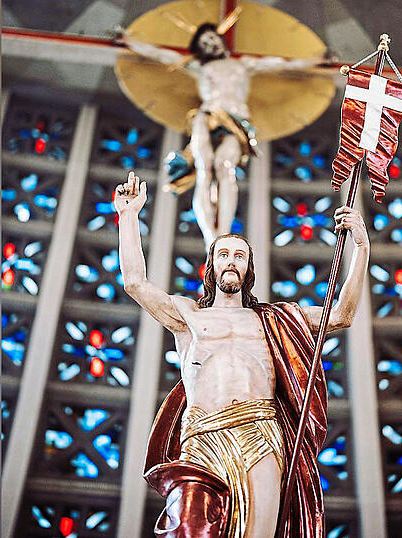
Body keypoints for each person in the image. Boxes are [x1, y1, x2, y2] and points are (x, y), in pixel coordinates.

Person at [114, 172, 369, 537]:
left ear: (249, 269)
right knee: (188, 527)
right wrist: (128, 217)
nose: (231, 260)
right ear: (211, 266)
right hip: (202, 432)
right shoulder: (188, 316)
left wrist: (361, 248)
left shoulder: (275, 320)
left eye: (239, 255)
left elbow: (342, 314)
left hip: (260, 429)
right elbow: (134, 282)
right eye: (223, 254)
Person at [117, 24, 330, 248]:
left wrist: (316, 60)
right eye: (204, 44)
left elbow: (282, 64)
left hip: (236, 120)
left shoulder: (244, 64)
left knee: (225, 166)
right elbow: (161, 54)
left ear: (220, 39)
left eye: (212, 39)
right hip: (207, 116)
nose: (210, 45)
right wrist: (129, 41)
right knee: (204, 167)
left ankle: (223, 234)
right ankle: (210, 236)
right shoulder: (198, 66)